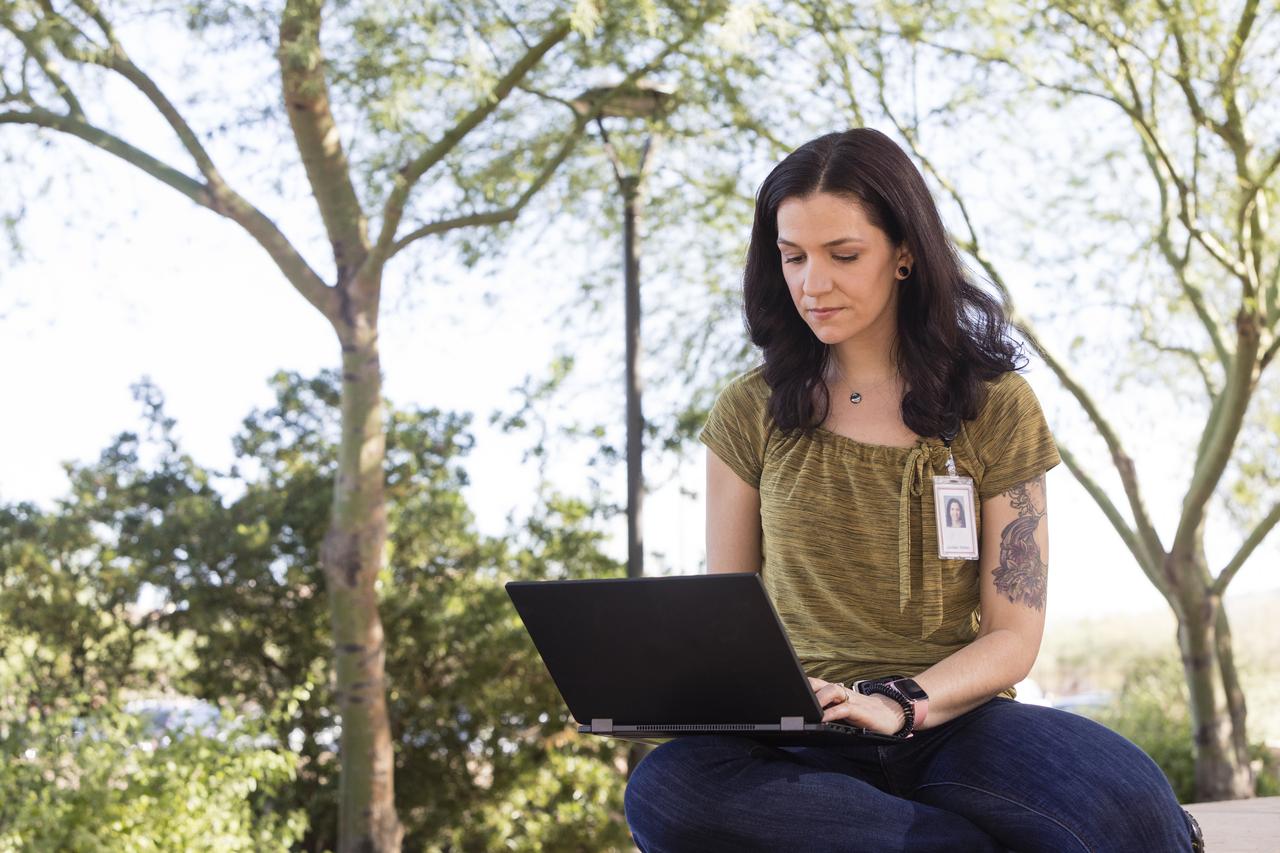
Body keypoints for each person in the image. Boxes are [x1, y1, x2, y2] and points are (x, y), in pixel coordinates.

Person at [623, 129, 1199, 852]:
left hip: (950, 720)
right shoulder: (750, 410)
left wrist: (901, 702)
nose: (812, 283)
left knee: (1133, 805)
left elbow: (1013, 636)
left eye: (843, 254)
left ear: (904, 253)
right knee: (665, 789)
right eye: (792, 256)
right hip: (799, 736)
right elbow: (731, 618)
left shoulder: (996, 404)